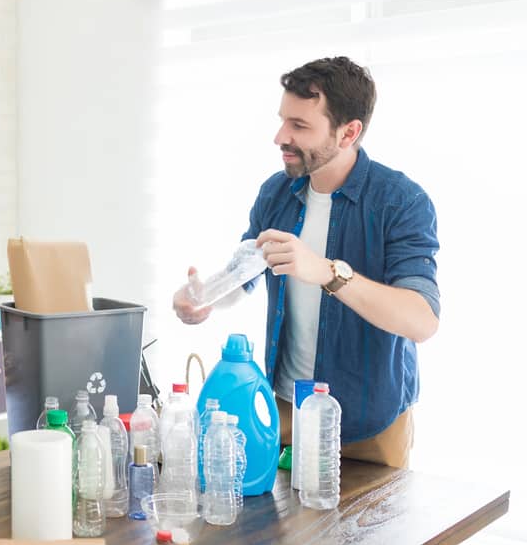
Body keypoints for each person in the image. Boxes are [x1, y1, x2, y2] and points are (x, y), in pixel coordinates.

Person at [173, 57, 440, 468]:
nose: (281, 136)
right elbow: (245, 273)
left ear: (348, 132)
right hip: (284, 410)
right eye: (283, 121)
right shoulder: (276, 192)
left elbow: (421, 321)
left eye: (299, 126)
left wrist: (328, 273)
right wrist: (204, 297)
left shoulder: (401, 201)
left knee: (367, 515)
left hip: (369, 425)